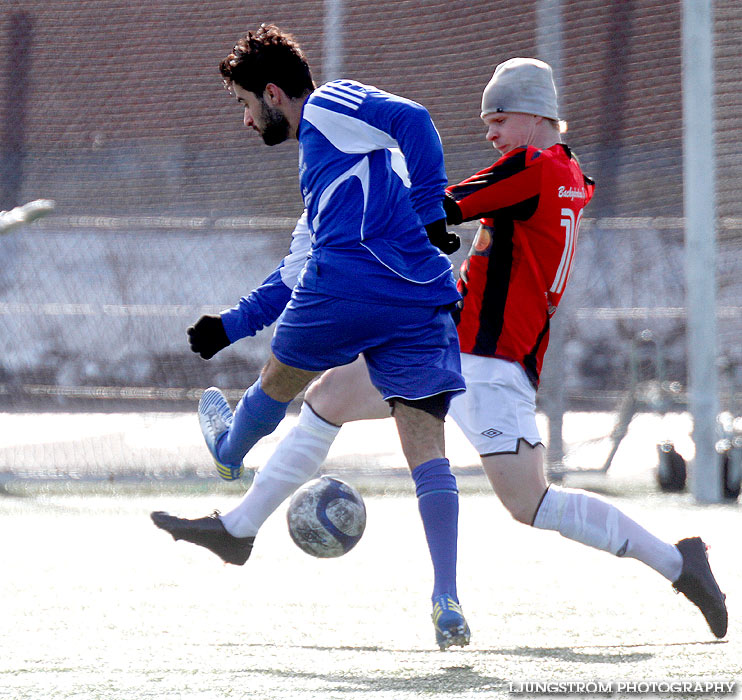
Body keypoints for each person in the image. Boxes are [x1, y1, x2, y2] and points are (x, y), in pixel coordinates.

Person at [156, 56, 728, 642]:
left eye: (499, 119)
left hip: (479, 353)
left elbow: (441, 204)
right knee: (332, 400)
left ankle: (679, 562)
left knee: (528, 502)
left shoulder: (532, 167)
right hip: (481, 347)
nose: (490, 133)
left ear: (536, 116)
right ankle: (240, 527)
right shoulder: (571, 174)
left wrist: (358, 198)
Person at [151, 23, 470, 650]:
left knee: (275, 382)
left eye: (245, 104)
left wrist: (433, 209)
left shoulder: (327, 104)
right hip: (420, 301)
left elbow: (418, 117)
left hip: (348, 285)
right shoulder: (328, 178)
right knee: (428, 454)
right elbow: (287, 274)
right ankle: (447, 599)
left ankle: (228, 451)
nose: (245, 121)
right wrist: (228, 326)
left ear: (273, 93)